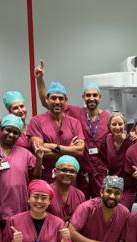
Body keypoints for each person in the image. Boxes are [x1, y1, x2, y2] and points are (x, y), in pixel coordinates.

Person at [35, 61, 109, 198]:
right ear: (83, 97)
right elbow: (48, 102)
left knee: (100, 202)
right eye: (88, 95)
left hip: (101, 170)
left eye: (94, 95)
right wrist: (39, 79)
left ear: (100, 97)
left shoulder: (108, 118)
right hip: (80, 170)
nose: (91, 98)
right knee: (80, 202)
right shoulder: (76, 113)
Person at [0, 114, 43, 228]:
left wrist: (39, 160)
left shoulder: (25, 153)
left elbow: (36, 178)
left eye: (16, 132)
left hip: (20, 207)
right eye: (8, 130)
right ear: (1, 130)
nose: (11, 135)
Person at [28, 81, 85, 183]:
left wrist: (53, 146)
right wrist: (70, 151)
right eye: (53, 98)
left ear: (66, 100)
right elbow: (40, 151)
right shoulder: (37, 121)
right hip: (47, 177)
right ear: (47, 99)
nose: (57, 101)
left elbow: (80, 151)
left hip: (69, 176)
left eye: (61, 98)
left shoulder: (75, 123)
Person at [99, 112, 136, 209]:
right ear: (109, 126)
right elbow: (102, 162)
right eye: (114, 124)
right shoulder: (106, 140)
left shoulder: (132, 140)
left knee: (122, 211)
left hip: (128, 186)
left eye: (120, 124)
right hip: (111, 186)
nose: (117, 127)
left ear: (125, 124)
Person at [48, 155, 86, 222]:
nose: (68, 174)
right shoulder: (46, 192)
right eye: (64, 170)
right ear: (55, 171)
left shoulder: (80, 195)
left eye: (72, 171)